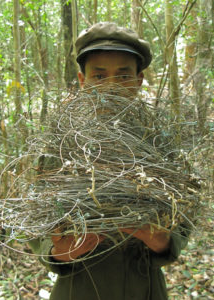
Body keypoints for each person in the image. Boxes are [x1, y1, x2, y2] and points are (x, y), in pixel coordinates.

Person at [29, 22, 189, 300]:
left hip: (146, 289)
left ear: (139, 81)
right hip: (78, 289)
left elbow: (186, 214)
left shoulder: (162, 146)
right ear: (83, 82)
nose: (112, 87)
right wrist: (58, 252)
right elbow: (35, 222)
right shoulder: (59, 146)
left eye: (123, 76)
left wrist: (163, 241)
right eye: (99, 76)